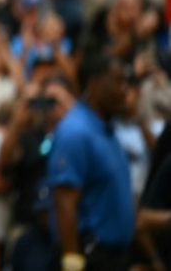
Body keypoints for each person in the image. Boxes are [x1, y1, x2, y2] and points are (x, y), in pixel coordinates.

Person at [48, 56, 135, 271]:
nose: (125, 90)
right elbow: (65, 203)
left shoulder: (104, 128)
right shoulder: (75, 132)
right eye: (118, 81)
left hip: (117, 257)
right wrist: (72, 263)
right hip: (94, 258)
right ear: (95, 84)